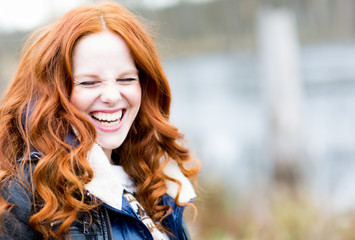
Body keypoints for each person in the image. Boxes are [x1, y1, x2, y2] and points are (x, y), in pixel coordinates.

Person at [0, 1, 199, 239]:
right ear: (54, 92)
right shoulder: (23, 194)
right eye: (89, 82)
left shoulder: (155, 176)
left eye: (126, 79)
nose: (113, 96)